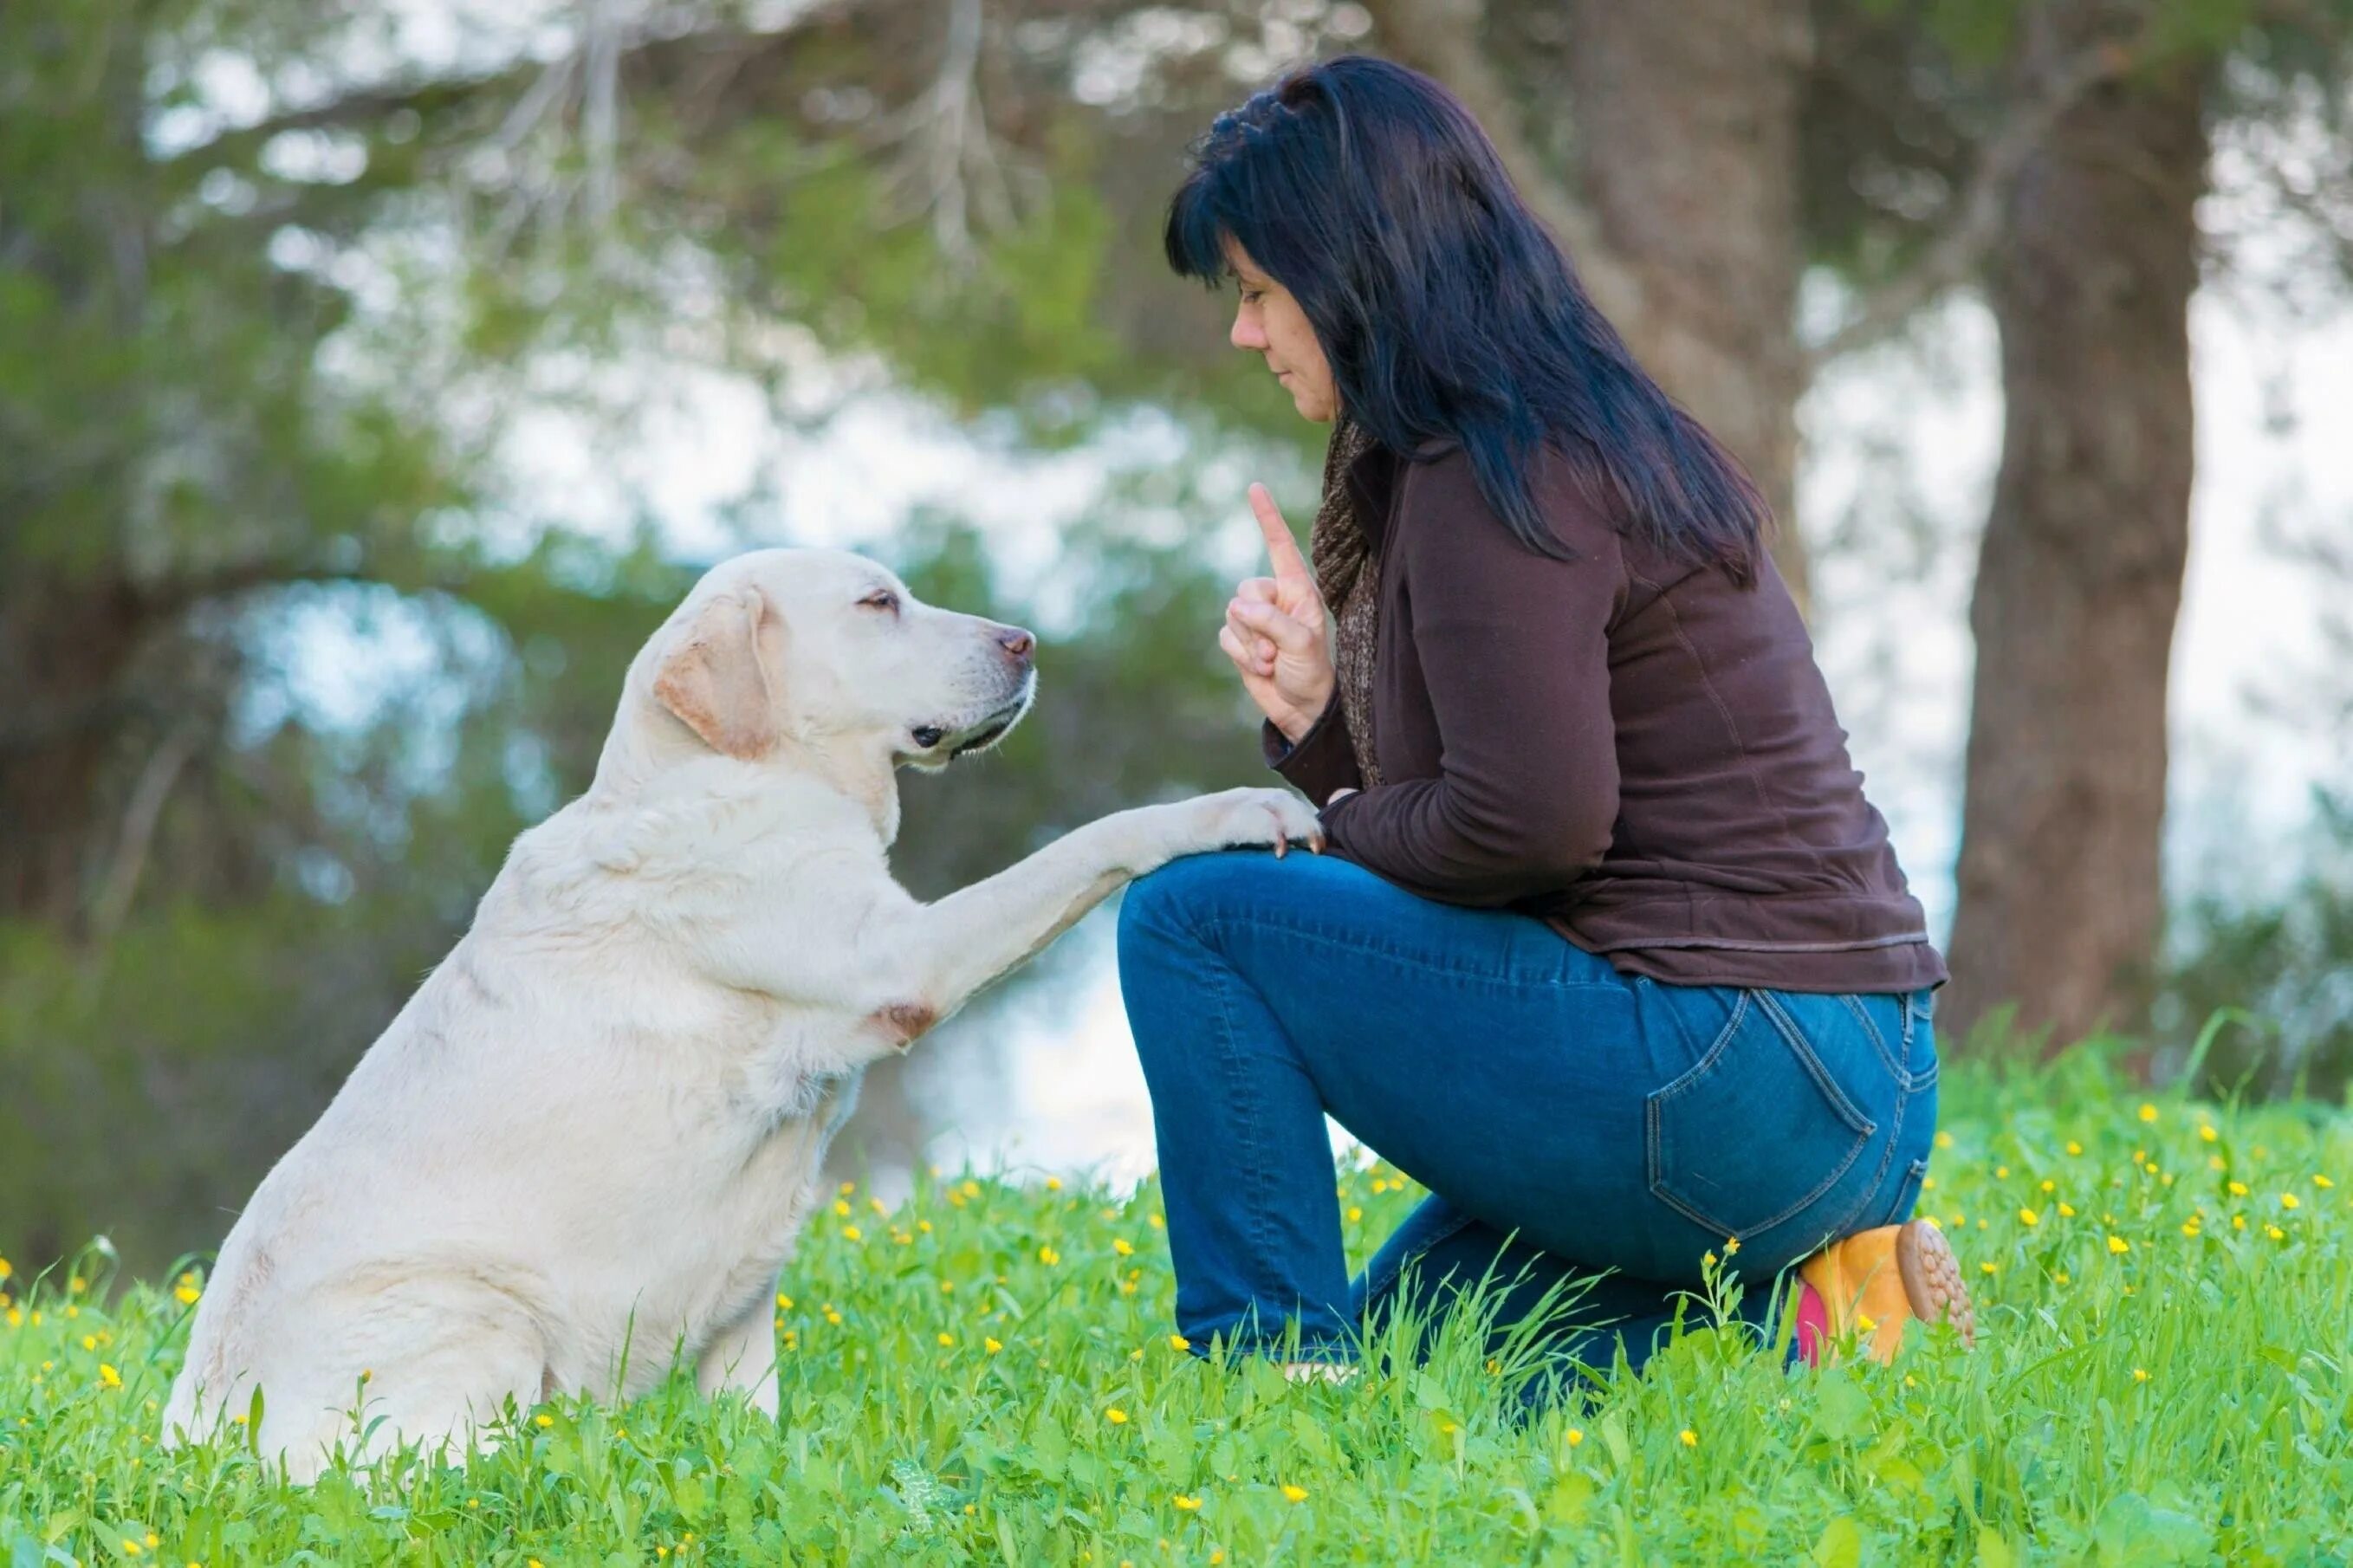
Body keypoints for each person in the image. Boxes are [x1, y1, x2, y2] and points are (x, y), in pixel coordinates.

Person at [1117, 55, 1975, 1386]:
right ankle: (1826, 1318)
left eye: (1260, 292)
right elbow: (1505, 808)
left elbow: (1528, 826)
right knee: (1418, 1347)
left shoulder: (1492, 468)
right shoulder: (1565, 429)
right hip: (1853, 1081)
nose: (1246, 333)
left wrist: (1332, 809)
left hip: (1738, 1061)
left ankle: (1264, 1386)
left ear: (1353, 273)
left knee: (1193, 918)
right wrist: (1327, 723)